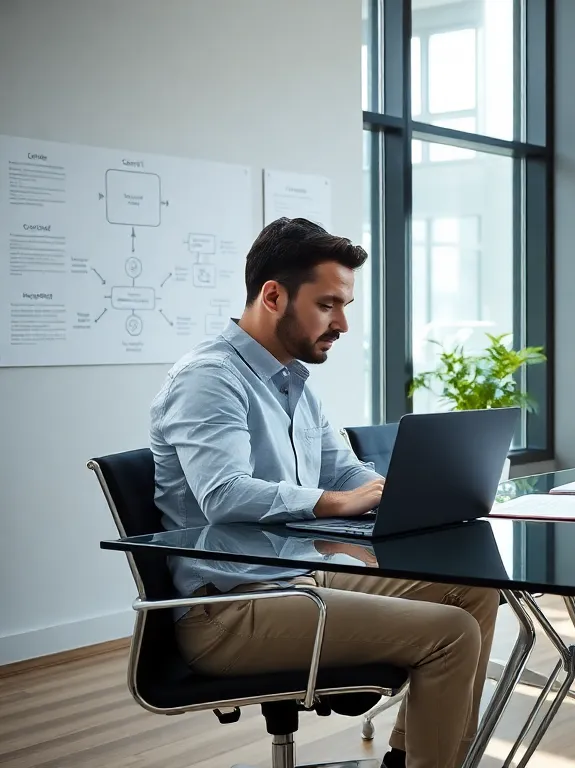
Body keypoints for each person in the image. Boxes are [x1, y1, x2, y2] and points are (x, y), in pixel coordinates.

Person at [150, 217, 499, 768]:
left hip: (295, 578)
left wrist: (414, 491)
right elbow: (223, 494)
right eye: (328, 305)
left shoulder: (294, 383)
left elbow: (342, 472)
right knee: (452, 633)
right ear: (273, 296)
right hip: (227, 608)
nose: (341, 323)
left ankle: (411, 758)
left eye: (346, 306)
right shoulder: (209, 378)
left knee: (471, 592)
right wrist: (335, 504)